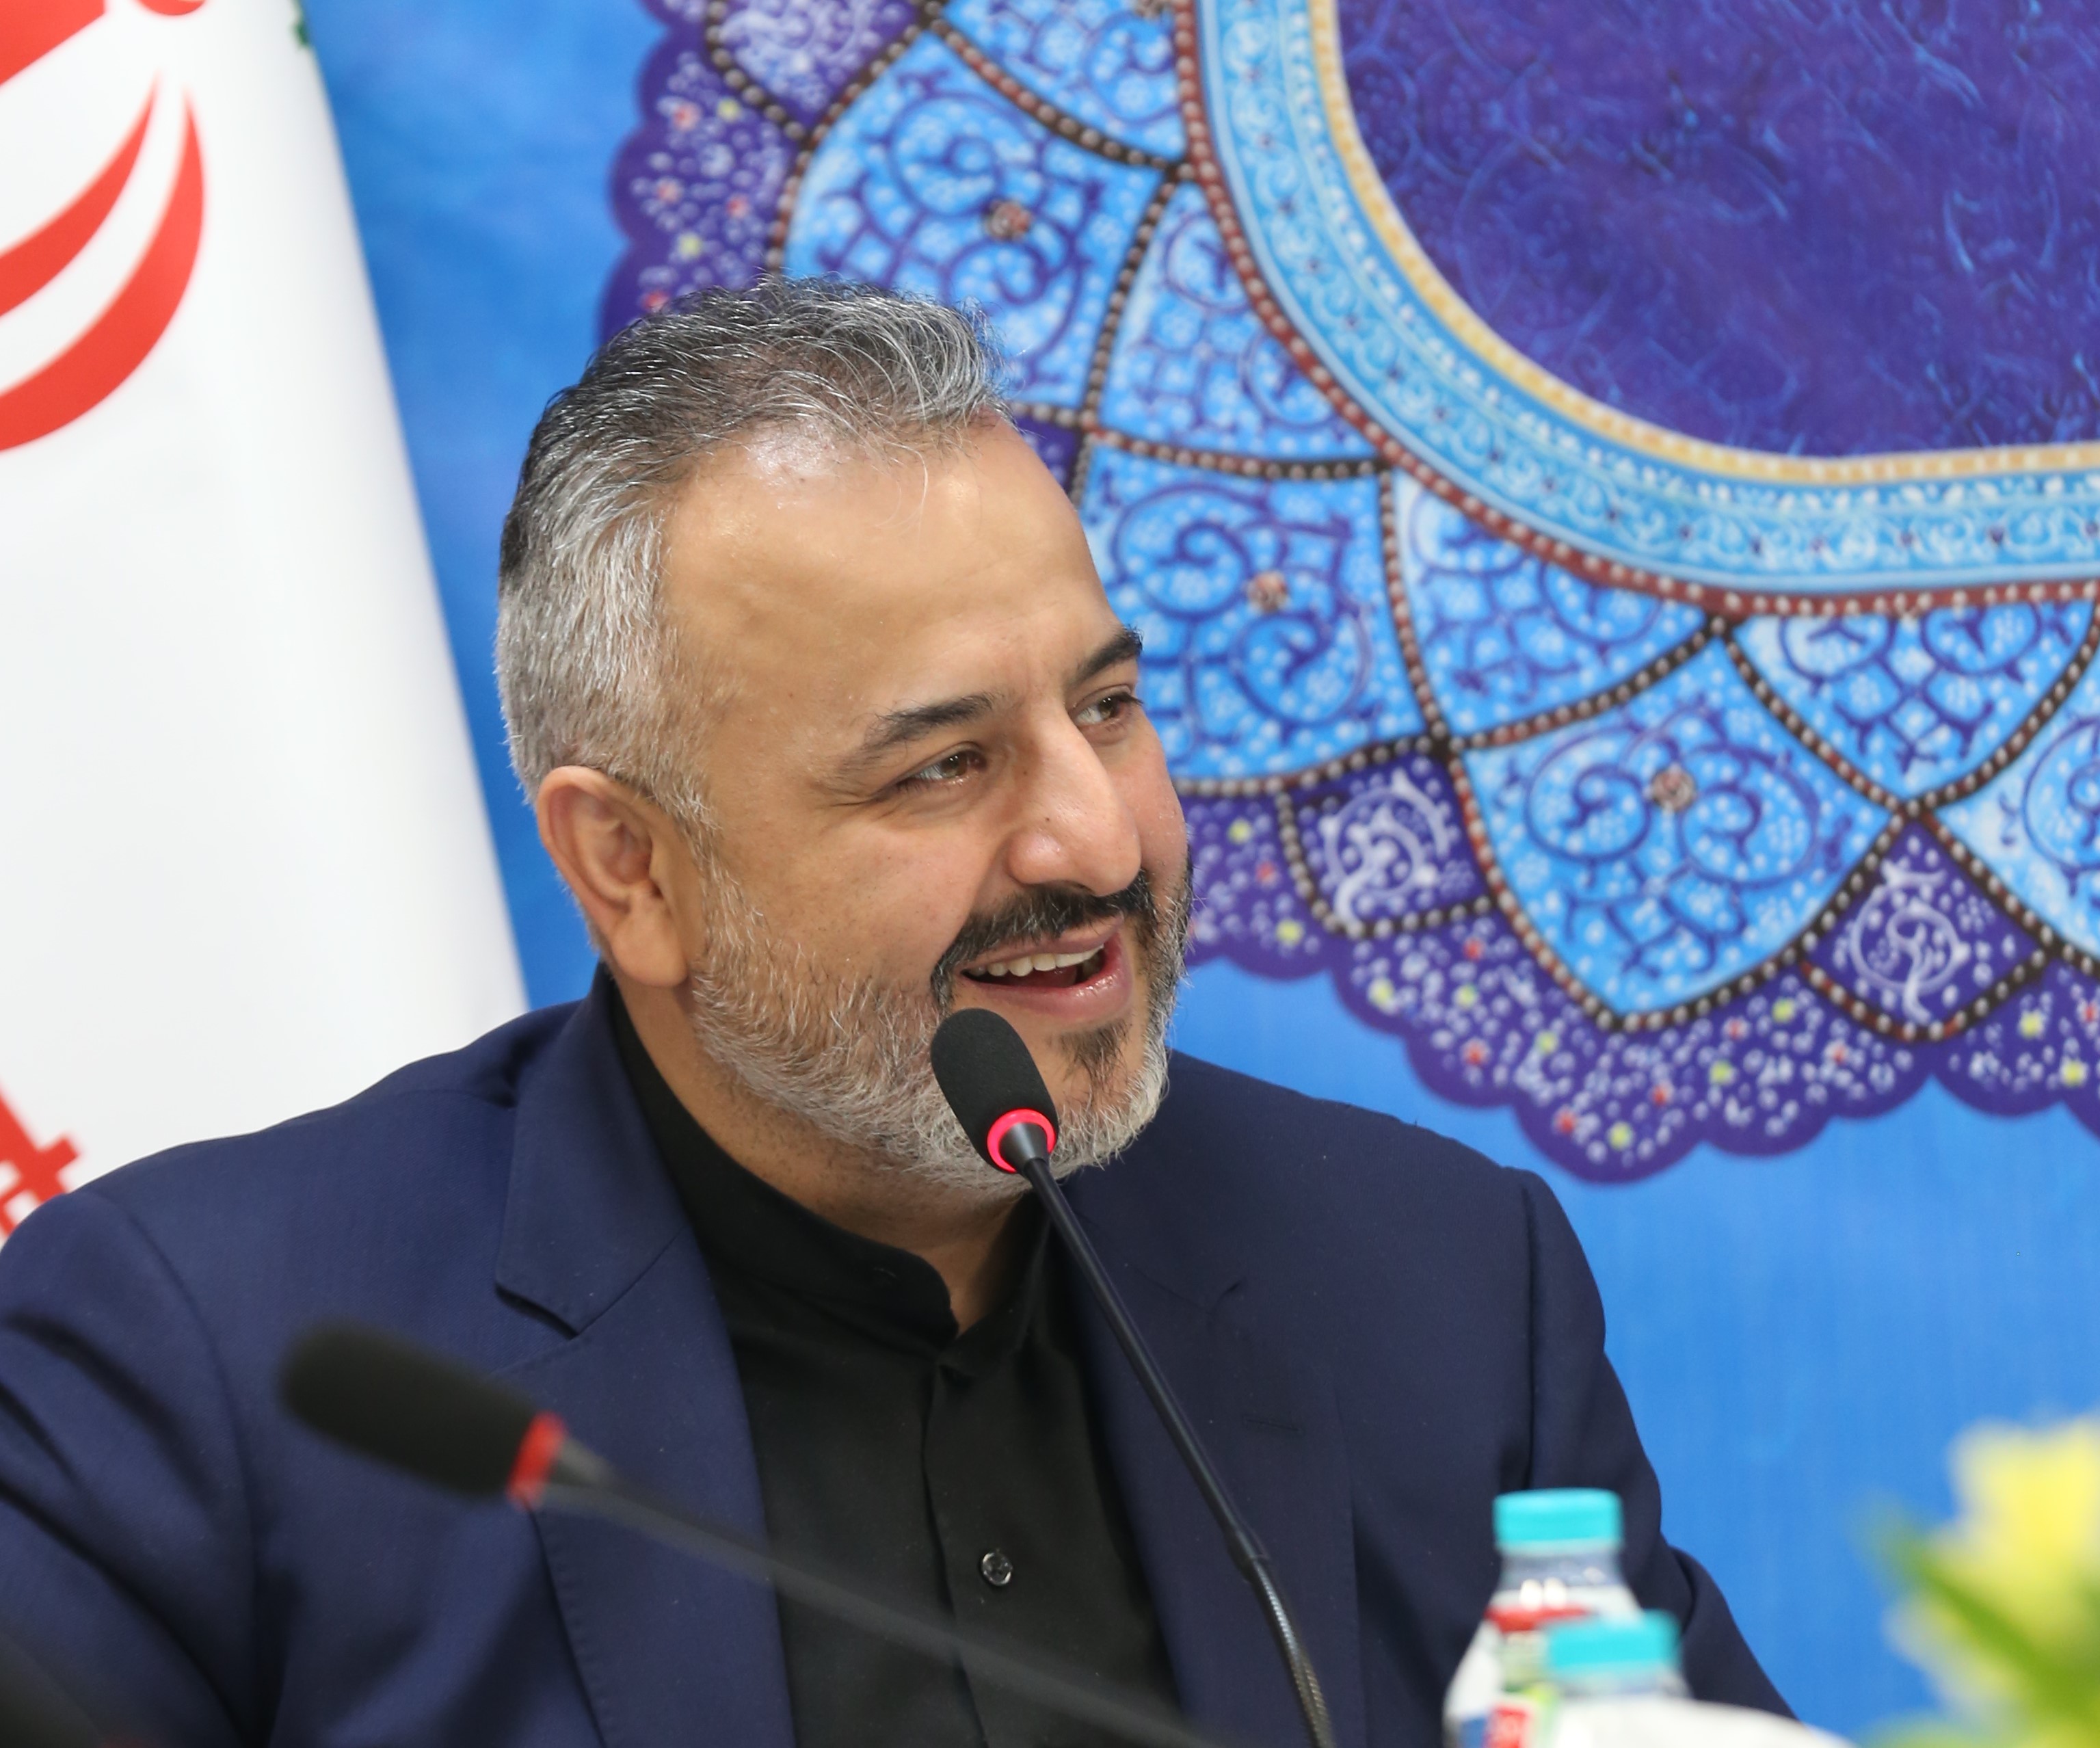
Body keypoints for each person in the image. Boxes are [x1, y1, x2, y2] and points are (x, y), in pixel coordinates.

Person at [0, 279, 1785, 1748]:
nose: (1097, 840)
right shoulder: (210, 1364)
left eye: (1107, 708)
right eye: (943, 766)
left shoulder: (1439, 1288)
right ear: (631, 867)